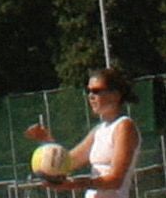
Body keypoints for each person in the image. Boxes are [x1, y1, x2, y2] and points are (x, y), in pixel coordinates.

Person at [28, 68, 136, 198]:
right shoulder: (99, 130)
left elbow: (115, 180)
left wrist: (75, 184)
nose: (91, 96)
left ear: (115, 95)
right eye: (89, 91)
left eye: (97, 91)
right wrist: (47, 143)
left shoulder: (124, 126)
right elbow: (68, 162)